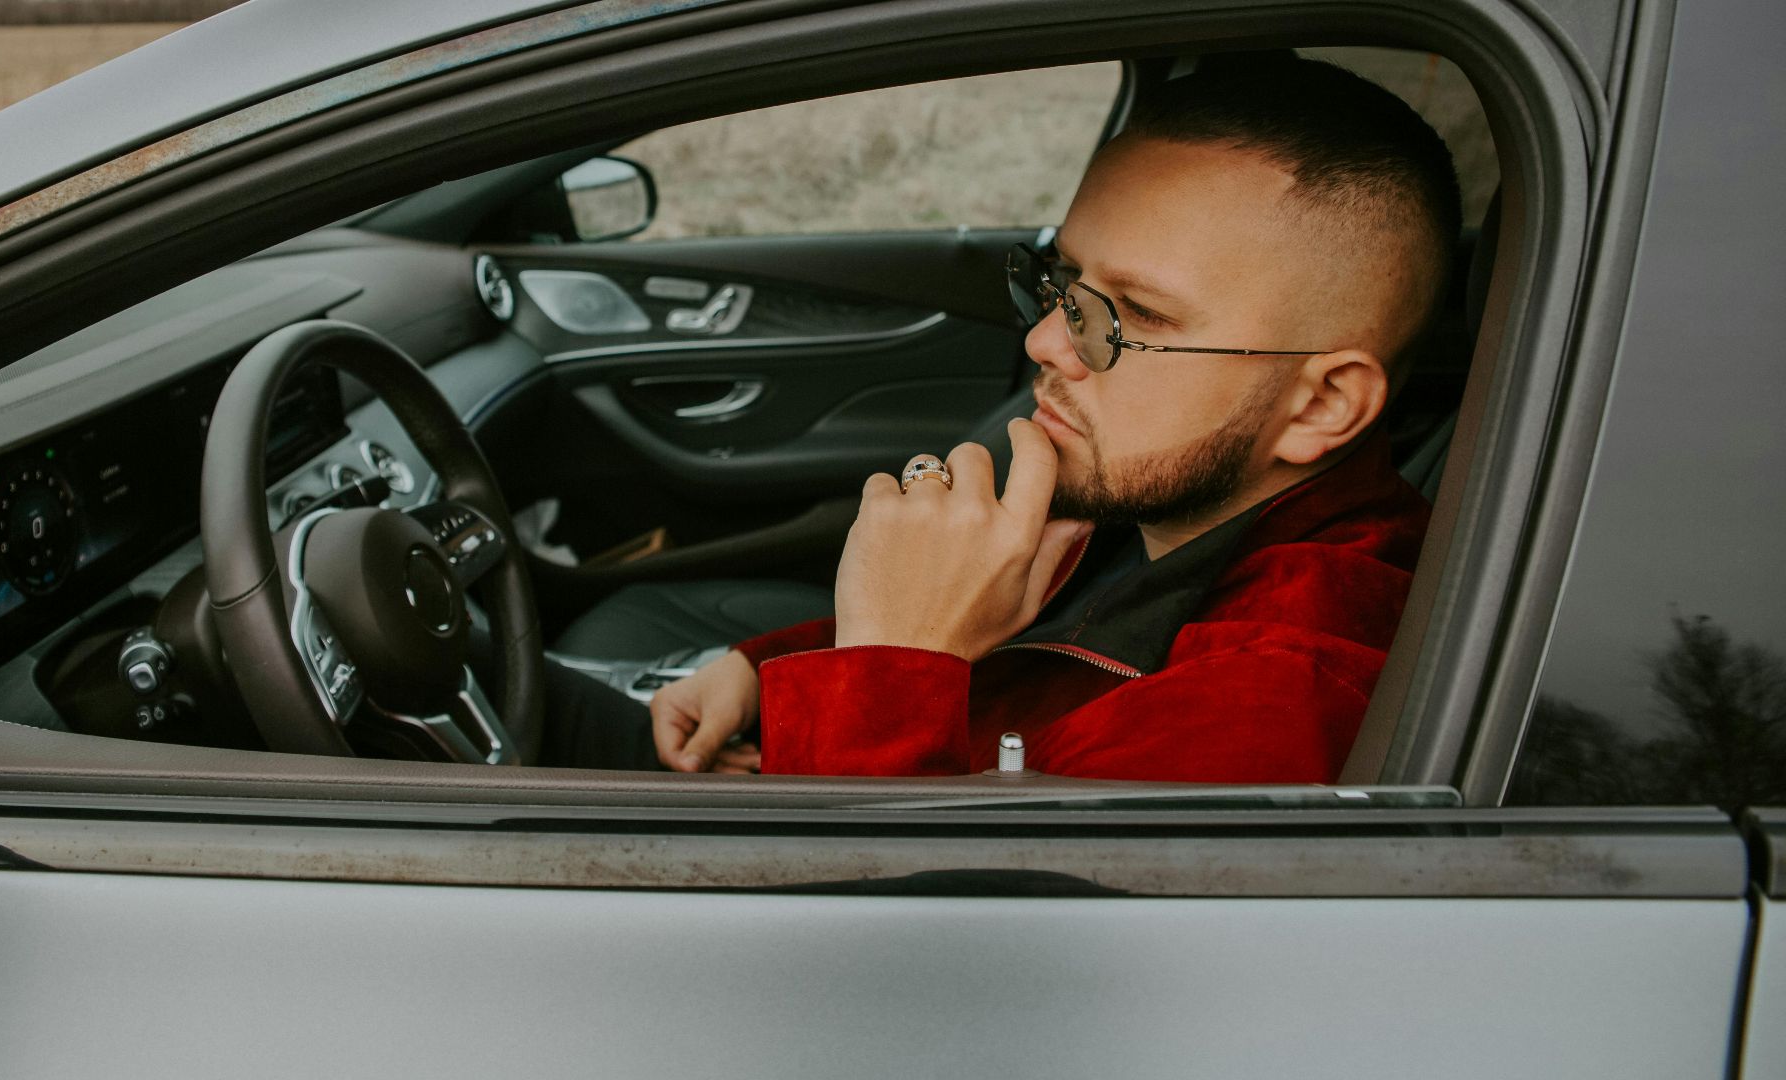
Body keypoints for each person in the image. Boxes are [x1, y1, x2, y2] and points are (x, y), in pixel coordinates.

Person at [550, 57, 1457, 781]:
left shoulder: (1254, 720)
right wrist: (774, 669)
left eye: (1133, 317)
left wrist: (890, 662)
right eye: (1063, 284)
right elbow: (1036, 656)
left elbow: (887, 963)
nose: (1044, 344)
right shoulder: (1173, 492)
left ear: (1322, 404)